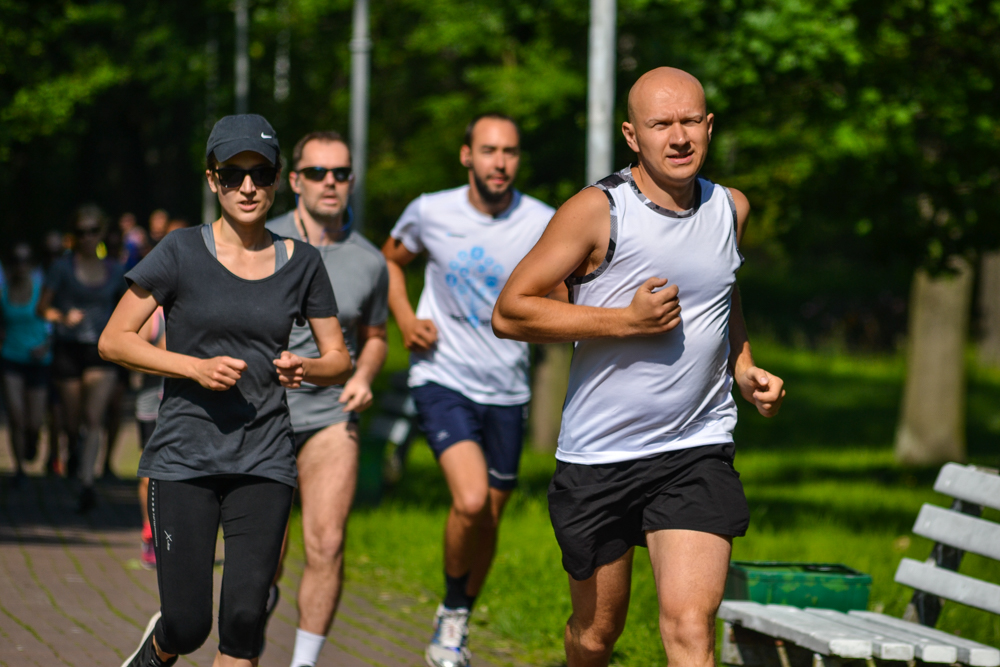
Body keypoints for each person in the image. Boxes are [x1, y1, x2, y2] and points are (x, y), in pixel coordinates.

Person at [492, 67, 786, 667]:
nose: (677, 137)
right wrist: (623, 322)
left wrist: (744, 365)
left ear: (708, 127)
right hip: (600, 457)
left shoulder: (730, 207)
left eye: (689, 122)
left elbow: (721, 294)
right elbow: (511, 311)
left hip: (695, 448)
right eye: (660, 124)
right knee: (597, 634)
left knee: (689, 628)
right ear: (632, 135)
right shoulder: (598, 211)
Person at [100, 113, 353, 667]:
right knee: (189, 625)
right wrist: (190, 367)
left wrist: (305, 369)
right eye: (233, 174)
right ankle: (154, 654)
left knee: (243, 621)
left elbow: (338, 359)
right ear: (212, 180)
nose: (247, 187)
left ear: (276, 178)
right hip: (184, 458)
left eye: (260, 174)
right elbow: (114, 341)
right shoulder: (180, 252)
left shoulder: (301, 262)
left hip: (264, 459)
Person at [382, 113, 556, 667]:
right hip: (442, 376)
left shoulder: (544, 221)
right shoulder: (431, 210)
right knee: (472, 499)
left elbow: (568, 287)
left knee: (491, 519)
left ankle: (455, 619)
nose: (499, 162)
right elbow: (392, 259)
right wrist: (406, 319)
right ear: (466, 156)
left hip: (507, 386)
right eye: (488, 150)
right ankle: (453, 615)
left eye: (509, 151)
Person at [265, 130, 389, 667]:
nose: (330, 183)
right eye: (317, 173)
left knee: (327, 543)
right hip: (260, 416)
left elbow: (378, 334)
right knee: (266, 552)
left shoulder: (369, 261)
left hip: (329, 416)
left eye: (340, 173)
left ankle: (303, 663)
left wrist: (363, 374)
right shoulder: (258, 242)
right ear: (295, 181)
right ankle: (243, 644)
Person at [37, 205, 126, 511]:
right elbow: (42, 308)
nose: (87, 238)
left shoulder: (115, 270)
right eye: (80, 232)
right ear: (72, 236)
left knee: (94, 418)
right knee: (72, 422)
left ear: (101, 233)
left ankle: (87, 482)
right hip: (68, 348)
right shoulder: (61, 268)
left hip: (101, 350)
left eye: (92, 231)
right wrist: (61, 316)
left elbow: (128, 310)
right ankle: (72, 449)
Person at [0, 243, 51, 485]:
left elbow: (54, 322)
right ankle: (19, 467)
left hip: (39, 360)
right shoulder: (3, 293)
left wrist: (46, 346)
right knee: (15, 415)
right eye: (16, 261)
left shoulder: (42, 291)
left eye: (25, 261)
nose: (21, 266)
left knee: (35, 420)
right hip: (11, 358)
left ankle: (33, 440)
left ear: (31, 265)